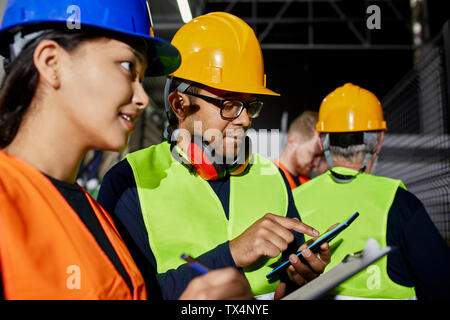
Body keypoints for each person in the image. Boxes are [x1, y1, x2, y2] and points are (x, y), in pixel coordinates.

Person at [0, 0, 253, 300]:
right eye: (127, 66)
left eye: (142, 77)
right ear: (52, 62)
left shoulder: (98, 219)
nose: (143, 97)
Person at [98, 12, 331, 300]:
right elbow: (123, 294)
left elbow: (285, 284)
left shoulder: (274, 178)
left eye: (250, 105)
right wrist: (231, 254)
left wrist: (300, 280)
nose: (244, 120)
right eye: (230, 104)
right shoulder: (129, 182)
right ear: (180, 104)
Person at [292, 83, 450, 300]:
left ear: (322, 140)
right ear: (378, 140)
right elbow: (441, 283)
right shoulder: (399, 202)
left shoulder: (294, 198)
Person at [275, 111, 324, 189]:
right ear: (292, 142)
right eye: (314, 155)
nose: (316, 165)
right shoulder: (272, 178)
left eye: (321, 156)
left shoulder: (308, 182)